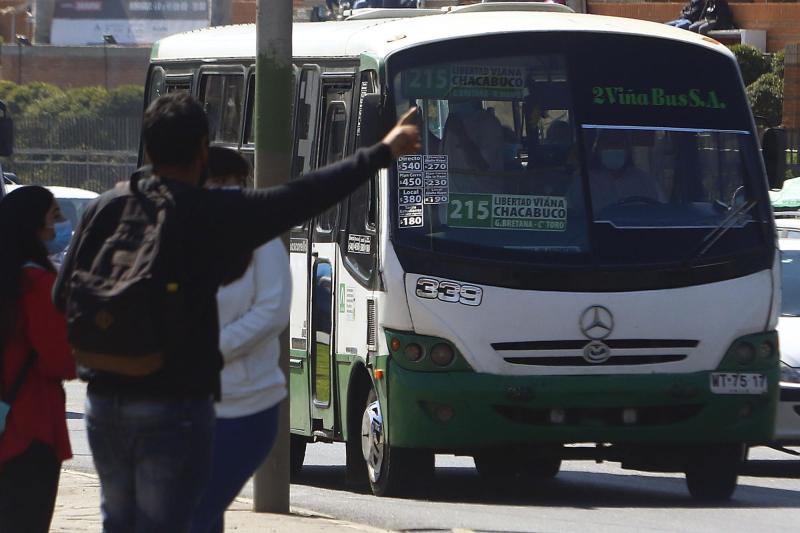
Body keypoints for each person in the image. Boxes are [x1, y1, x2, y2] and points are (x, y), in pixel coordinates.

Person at [53, 91, 420, 533]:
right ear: (203, 150)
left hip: (103, 401)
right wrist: (383, 151)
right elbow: (302, 196)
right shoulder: (208, 211)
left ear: (147, 149)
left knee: (120, 521)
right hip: (174, 402)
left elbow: (62, 296)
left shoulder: (106, 205)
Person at [188, 148, 291, 533]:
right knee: (199, 511)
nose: (229, 192)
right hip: (186, 404)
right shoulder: (180, 231)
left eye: (237, 184)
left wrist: (210, 348)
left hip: (244, 404)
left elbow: (271, 312)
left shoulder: (262, 241)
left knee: (195, 510)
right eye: (219, 183)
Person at [0, 186, 75, 533]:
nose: (56, 226)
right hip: (27, 427)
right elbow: (61, 360)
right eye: (52, 216)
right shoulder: (38, 283)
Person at [587, 129, 665, 213]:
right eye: (608, 144)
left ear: (628, 149)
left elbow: (664, 213)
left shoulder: (647, 182)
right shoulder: (583, 183)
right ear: (597, 149)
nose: (613, 148)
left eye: (618, 143)